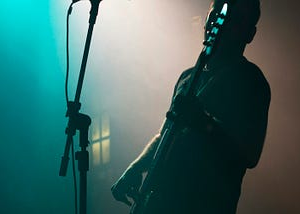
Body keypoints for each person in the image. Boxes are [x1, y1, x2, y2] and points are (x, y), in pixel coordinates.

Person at [111, 0, 271, 213]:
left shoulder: (250, 80)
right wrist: (135, 168)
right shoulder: (187, 77)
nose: (220, 21)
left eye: (234, 18)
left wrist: (203, 123)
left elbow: (250, 154)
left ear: (250, 34)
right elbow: (165, 133)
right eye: (215, 14)